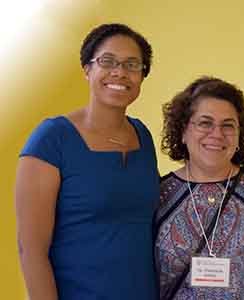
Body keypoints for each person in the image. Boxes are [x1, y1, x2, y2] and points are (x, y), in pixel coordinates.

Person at [15, 23, 159, 300]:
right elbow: (31, 251)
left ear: (142, 76)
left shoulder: (142, 135)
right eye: (107, 61)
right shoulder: (52, 139)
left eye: (132, 64)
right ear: (87, 69)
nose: (120, 72)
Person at [155, 76, 244, 299]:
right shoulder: (155, 195)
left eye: (228, 125)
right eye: (205, 123)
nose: (217, 134)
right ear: (183, 131)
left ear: (239, 136)